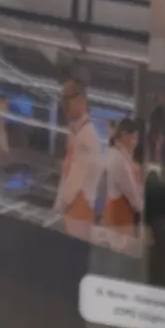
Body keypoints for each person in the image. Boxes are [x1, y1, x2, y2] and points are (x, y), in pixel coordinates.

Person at [54, 82, 106, 234]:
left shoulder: (86, 137)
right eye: (62, 99)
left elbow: (73, 185)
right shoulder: (76, 133)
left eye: (67, 98)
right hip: (73, 213)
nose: (63, 105)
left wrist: (57, 210)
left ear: (81, 100)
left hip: (78, 214)